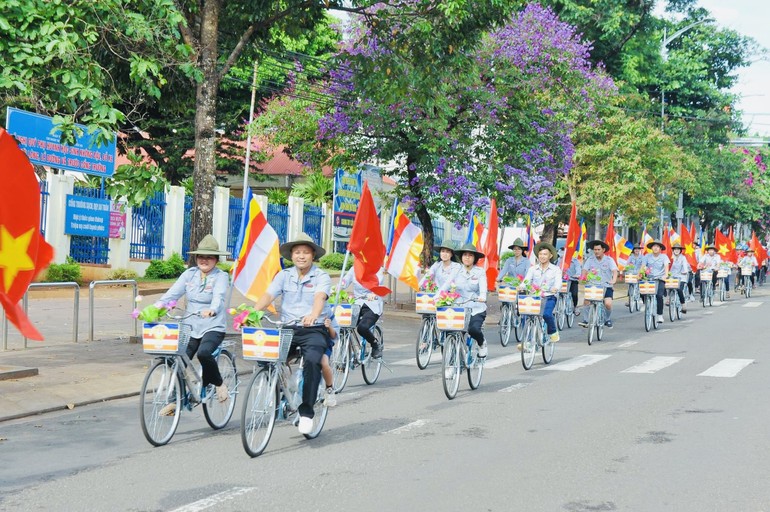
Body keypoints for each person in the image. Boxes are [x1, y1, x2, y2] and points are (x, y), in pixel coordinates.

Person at [253, 233, 331, 435]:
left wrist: (313, 315)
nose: (301, 256)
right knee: (264, 355)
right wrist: (251, 313)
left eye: (305, 252)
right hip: (288, 328)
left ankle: (306, 413)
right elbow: (269, 295)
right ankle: (280, 392)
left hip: (313, 329)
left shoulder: (321, 276)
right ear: (291, 256)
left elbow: (320, 297)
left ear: (313, 255)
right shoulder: (284, 275)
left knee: (313, 361)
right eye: (297, 252)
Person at [158, 234, 230, 416]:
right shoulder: (189, 274)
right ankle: (176, 400)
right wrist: (153, 309)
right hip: (190, 326)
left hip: (212, 326)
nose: (204, 260)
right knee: (177, 358)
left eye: (209, 257)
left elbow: (219, 297)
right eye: (201, 256)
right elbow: (171, 295)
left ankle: (219, 383)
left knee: (204, 353)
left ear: (216, 260)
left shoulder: (220, 276)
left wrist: (212, 309)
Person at [438, 243, 488, 357]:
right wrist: (438, 296)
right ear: (461, 257)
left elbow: (483, 287)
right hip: (459, 307)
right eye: (465, 255)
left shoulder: (479, 272)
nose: (467, 257)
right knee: (450, 330)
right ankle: (451, 359)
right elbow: (446, 285)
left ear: (474, 258)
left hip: (476, 307)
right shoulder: (456, 271)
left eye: (470, 255)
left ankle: (482, 343)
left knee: (473, 329)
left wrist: (482, 296)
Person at [339, 266, 385, 359]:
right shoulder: (354, 268)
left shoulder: (377, 269)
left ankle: (375, 344)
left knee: (362, 328)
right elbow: (345, 281)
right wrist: (337, 288)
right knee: (343, 325)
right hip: (357, 304)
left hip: (372, 305)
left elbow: (379, 284)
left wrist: (374, 293)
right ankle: (345, 355)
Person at [521, 242, 562, 344]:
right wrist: (521, 286)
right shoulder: (533, 269)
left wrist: (555, 288)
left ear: (550, 256)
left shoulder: (555, 269)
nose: (542, 256)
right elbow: (526, 281)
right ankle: (528, 342)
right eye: (540, 254)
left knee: (547, 314)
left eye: (545, 254)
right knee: (526, 316)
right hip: (534, 297)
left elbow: (558, 283)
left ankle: (553, 332)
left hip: (549, 297)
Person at [579, 240, 618, 328]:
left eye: (598, 249)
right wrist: (583, 277)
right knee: (586, 301)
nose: (596, 251)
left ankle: (607, 319)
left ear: (603, 250)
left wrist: (613, 280)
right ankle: (586, 320)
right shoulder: (590, 259)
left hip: (606, 286)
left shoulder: (609, 260)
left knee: (608, 303)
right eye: (595, 249)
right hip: (593, 285)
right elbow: (585, 270)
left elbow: (614, 271)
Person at [643, 240, 670, 323]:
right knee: (642, 290)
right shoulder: (647, 256)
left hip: (660, 279)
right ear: (651, 248)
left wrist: (665, 275)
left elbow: (666, 266)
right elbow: (643, 266)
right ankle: (645, 304)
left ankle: (660, 315)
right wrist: (642, 272)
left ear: (660, 248)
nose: (655, 248)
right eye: (654, 246)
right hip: (649, 278)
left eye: (657, 246)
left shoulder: (664, 257)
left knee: (659, 296)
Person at [557, 250, 582, 316]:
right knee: (556, 294)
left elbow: (578, 270)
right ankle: (556, 308)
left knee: (574, 294)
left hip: (573, 280)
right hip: (561, 281)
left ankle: (575, 306)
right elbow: (555, 269)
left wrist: (577, 275)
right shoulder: (559, 260)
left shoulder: (575, 261)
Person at [322, 313, 339, 407]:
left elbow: (333, 335)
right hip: (300, 337)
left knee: (323, 363)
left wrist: (329, 326)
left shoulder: (326, 310)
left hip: (323, 342)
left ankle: (329, 389)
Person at [669, 243, 689, 314]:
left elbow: (685, 267)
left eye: (678, 249)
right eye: (675, 249)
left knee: (679, 290)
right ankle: (670, 298)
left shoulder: (683, 258)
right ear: (673, 250)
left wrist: (685, 271)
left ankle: (683, 305)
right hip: (672, 276)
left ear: (680, 250)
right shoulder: (670, 257)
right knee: (668, 287)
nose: (676, 250)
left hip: (681, 277)